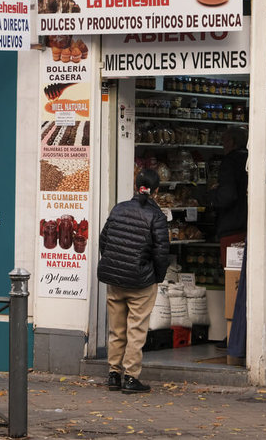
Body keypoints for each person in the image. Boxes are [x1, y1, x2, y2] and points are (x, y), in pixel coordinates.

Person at [98, 169, 170, 394]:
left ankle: (113, 374)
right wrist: (156, 277)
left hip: (115, 280)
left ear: (135, 185)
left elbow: (104, 240)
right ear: (156, 190)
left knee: (116, 329)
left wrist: (115, 264)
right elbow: (161, 253)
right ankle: (130, 377)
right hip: (141, 281)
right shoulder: (156, 216)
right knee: (136, 329)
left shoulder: (119, 208)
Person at [208, 126, 248, 353]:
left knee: (232, 280)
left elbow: (227, 195)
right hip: (245, 225)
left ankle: (233, 334)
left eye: (224, 141)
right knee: (241, 280)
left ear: (232, 143)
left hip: (231, 228)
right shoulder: (249, 160)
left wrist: (212, 195)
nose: (222, 145)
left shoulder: (230, 163)